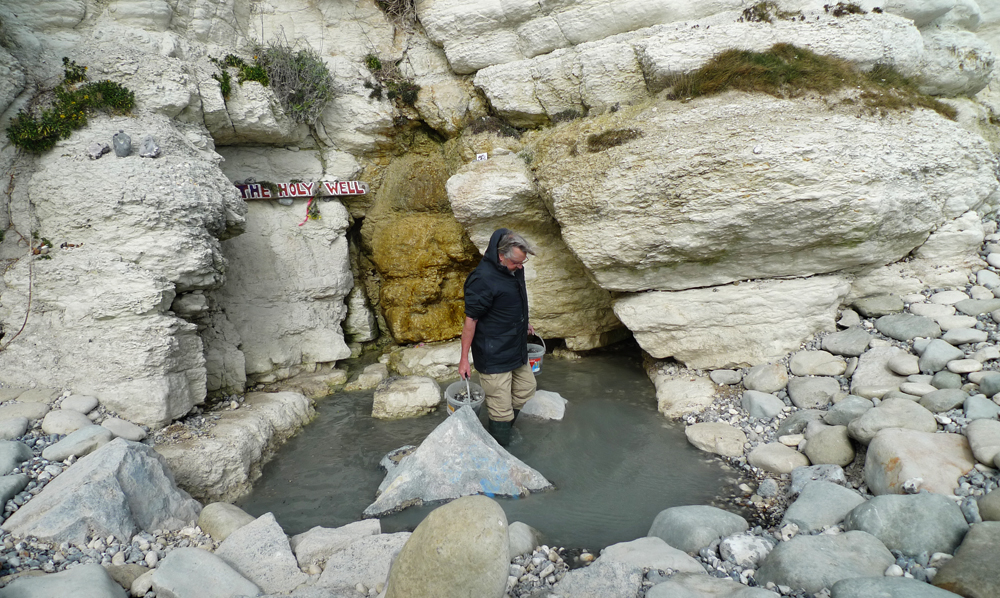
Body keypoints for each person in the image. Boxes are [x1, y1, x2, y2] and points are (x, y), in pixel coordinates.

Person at [458, 228, 537, 447]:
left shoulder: (514, 268)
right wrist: (464, 358)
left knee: (526, 388)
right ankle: (500, 448)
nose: (520, 267)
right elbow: (470, 320)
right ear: (500, 256)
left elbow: (512, 299)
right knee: (501, 408)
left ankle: (502, 430)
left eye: (523, 262)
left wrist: (523, 321)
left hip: (515, 346)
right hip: (493, 353)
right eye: (516, 263)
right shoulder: (481, 279)